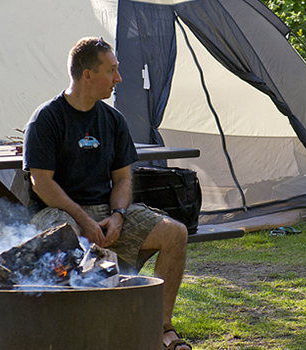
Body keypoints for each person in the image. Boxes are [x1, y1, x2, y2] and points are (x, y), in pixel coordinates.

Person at [22, 37, 192, 350]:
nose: (119, 78)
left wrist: (118, 215)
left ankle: (160, 328)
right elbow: (41, 183)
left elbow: (123, 179)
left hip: (105, 211)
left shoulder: (113, 120)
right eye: (111, 70)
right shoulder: (46, 118)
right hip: (56, 213)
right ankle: (72, 333)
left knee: (175, 233)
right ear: (88, 75)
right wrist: (83, 219)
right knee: (67, 234)